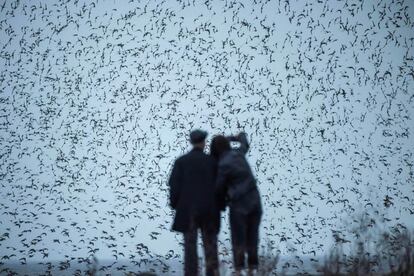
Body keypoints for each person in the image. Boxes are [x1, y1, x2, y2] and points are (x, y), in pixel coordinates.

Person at [168, 129, 221, 276]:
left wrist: (175, 205)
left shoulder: (181, 162)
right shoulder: (212, 162)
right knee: (210, 248)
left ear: (191, 142)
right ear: (204, 142)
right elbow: (220, 186)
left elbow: (174, 186)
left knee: (190, 248)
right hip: (210, 211)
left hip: (188, 211)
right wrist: (220, 206)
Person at [210, 132, 262, 276]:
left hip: (239, 205)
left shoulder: (223, 164)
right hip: (255, 201)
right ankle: (253, 269)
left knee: (238, 238)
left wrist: (221, 204)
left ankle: (239, 270)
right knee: (253, 236)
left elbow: (218, 188)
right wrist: (233, 138)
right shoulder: (239, 153)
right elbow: (244, 141)